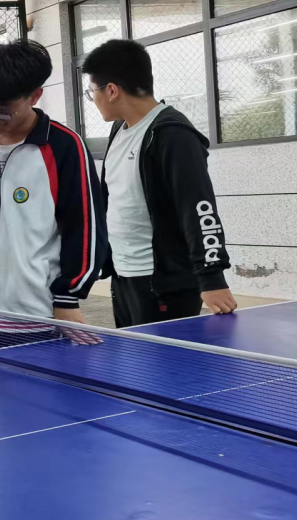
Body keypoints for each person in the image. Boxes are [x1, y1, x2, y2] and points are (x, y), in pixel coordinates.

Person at [0, 40, 107, 327]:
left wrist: (68, 296)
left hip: (33, 312)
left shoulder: (64, 146)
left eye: (2, 111)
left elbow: (85, 226)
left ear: (35, 95)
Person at [83, 39, 237, 328]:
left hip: (163, 284)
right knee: (133, 355)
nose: (93, 100)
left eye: (92, 92)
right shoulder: (120, 129)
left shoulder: (172, 134)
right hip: (124, 276)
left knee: (164, 358)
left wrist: (211, 278)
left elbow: (199, 207)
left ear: (112, 90)